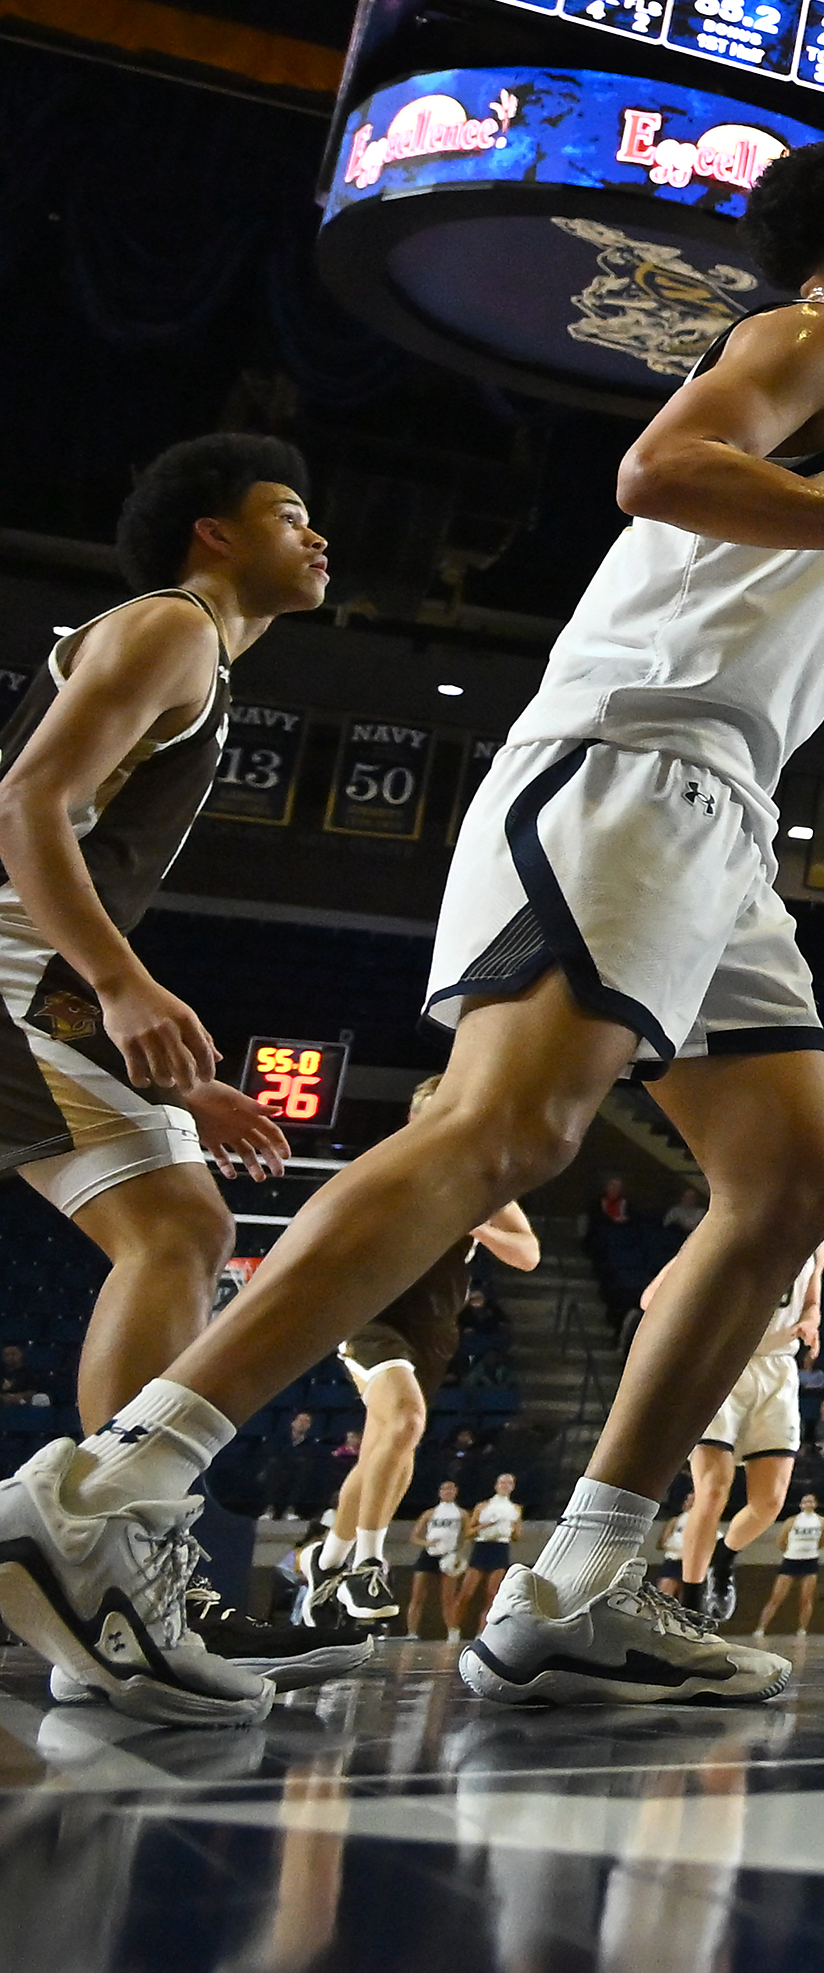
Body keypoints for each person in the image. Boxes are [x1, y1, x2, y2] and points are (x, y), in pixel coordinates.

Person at [0, 136, 824, 1722]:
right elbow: (657, 471)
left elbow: (771, 587)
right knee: (506, 1130)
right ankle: (112, 1491)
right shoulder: (814, 332)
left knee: (791, 1181)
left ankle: (587, 1577)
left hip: (725, 804)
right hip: (633, 765)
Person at [0, 438, 378, 1706]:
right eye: (291, 511)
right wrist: (121, 984)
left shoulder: (192, 661)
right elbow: (24, 807)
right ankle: (109, 1562)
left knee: (177, 1219)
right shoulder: (168, 626)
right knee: (178, 1225)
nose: (318, 536)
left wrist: (168, 1080)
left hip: (19, 1001)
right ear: (215, 533)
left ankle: (116, 1575)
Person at [324, 1086, 542, 1631]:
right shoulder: (386, 1169)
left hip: (433, 1331)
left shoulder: (483, 1183)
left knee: (389, 1442)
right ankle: (368, 1564)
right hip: (371, 1317)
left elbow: (529, 1254)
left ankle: (325, 1563)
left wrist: (479, 1225)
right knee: (405, 1421)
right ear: (414, 1117)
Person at [658, 1237, 824, 1626]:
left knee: (770, 1502)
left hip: (778, 1369)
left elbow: (813, 1300)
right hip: (722, 1362)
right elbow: (656, 1299)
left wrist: (811, 1321)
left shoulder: (817, 1236)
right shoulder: (735, 1217)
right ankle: (693, 1605)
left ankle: (723, 1556)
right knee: (713, 1488)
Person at [450, 1473, 524, 1637]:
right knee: (467, 1592)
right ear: (496, 1485)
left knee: (492, 1594)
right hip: (482, 1547)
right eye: (502, 1483)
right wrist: (484, 1526)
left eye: (509, 1483)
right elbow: (468, 1532)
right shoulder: (482, 1506)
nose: (505, 1486)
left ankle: (482, 1632)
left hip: (500, 1549)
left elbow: (517, 1536)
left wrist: (511, 1528)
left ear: (512, 1487)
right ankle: (453, 1630)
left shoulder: (516, 1509)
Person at [754, 1494, 824, 1637]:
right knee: (776, 1597)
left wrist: (810, 1551)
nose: (808, 1503)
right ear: (801, 1504)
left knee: (806, 1598)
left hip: (810, 1561)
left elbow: (823, 1541)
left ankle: (802, 1630)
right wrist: (792, 1551)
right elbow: (781, 1541)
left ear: (815, 1504)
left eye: (811, 1501)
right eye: (805, 1501)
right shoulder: (792, 1521)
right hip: (791, 1560)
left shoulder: (821, 1521)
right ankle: (761, 1629)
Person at [405, 1479, 469, 1641]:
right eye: (444, 1489)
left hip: (448, 1555)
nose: (447, 1492)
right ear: (440, 1492)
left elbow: (467, 1536)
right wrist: (427, 1543)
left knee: (448, 1597)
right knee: (417, 1594)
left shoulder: (462, 1514)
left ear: (456, 1492)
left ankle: (453, 1632)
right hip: (428, 1554)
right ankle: (411, 1632)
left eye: (451, 1489)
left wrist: (459, 1555)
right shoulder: (430, 1513)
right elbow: (414, 1536)